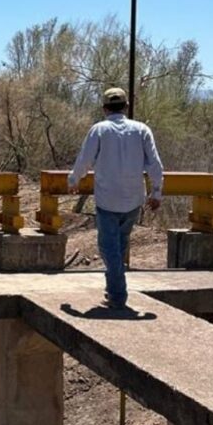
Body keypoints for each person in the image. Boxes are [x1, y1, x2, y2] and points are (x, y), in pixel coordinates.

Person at [68, 87, 164, 309]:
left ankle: (118, 295)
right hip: (133, 199)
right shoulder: (142, 130)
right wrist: (156, 192)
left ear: (104, 108)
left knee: (108, 247)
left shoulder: (99, 130)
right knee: (120, 245)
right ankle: (113, 291)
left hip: (107, 199)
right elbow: (155, 164)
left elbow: (85, 160)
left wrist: (74, 180)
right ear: (126, 107)